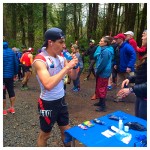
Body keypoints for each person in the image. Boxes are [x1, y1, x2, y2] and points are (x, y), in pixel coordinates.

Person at [32, 27, 78, 147]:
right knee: (45, 134)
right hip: (47, 103)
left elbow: (72, 76)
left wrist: (75, 66)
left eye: (64, 42)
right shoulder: (40, 60)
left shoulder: (62, 57)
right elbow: (48, 84)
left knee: (66, 131)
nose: (64, 46)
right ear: (50, 42)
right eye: (61, 42)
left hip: (61, 100)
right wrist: (67, 68)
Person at [117, 32, 147, 120]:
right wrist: (130, 79)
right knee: (138, 120)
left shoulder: (129, 44)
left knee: (143, 125)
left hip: (145, 98)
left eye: (144, 35)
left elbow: (133, 55)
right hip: (141, 95)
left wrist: (131, 89)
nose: (141, 38)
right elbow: (142, 74)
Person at [113, 33, 136, 102]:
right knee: (119, 83)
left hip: (127, 69)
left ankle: (139, 96)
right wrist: (115, 63)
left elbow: (133, 55)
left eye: (117, 39)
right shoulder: (118, 47)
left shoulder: (127, 46)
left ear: (121, 39)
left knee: (132, 83)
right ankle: (119, 96)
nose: (115, 40)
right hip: (120, 68)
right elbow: (116, 56)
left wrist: (129, 66)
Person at [93, 36, 114, 112]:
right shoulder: (104, 49)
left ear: (105, 43)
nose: (100, 42)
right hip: (103, 71)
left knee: (102, 88)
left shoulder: (106, 51)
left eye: (101, 41)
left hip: (103, 72)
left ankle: (103, 106)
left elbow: (103, 63)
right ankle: (100, 102)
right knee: (100, 87)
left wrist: (98, 71)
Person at [3, 41, 18, 115]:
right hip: (10, 76)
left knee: (2, 92)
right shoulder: (12, 52)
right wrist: (15, 73)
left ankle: (4, 110)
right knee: (11, 90)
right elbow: (16, 63)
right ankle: (12, 108)